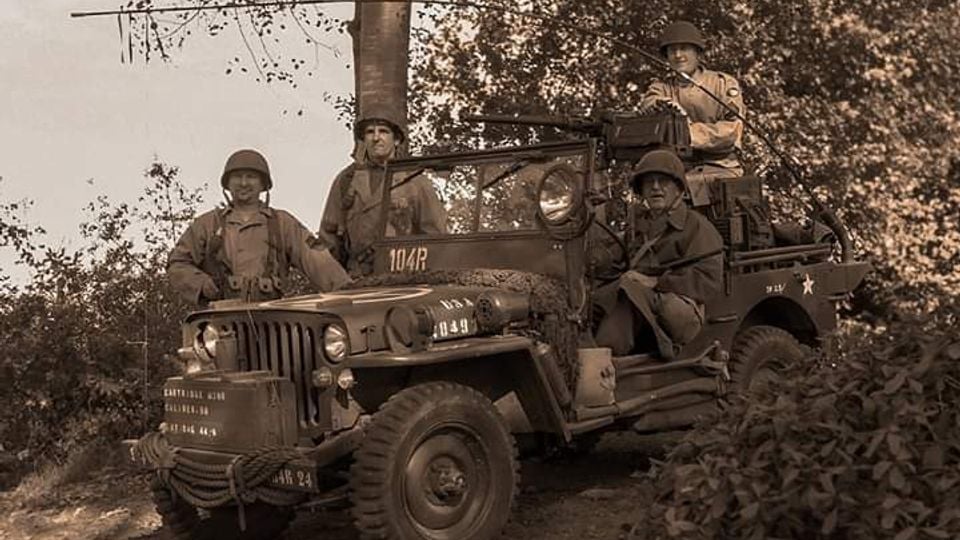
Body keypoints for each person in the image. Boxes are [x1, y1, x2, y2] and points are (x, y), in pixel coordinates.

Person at [168, 149, 350, 305]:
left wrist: (346, 290)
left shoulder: (282, 223)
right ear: (228, 183)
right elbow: (177, 263)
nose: (244, 183)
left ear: (263, 184)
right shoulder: (208, 224)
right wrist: (202, 284)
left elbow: (316, 258)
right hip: (220, 318)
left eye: (251, 177)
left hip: (271, 317)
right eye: (237, 177)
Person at [594, 150, 723, 359]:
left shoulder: (697, 226)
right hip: (644, 303)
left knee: (628, 288)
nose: (655, 187)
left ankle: (606, 359)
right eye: (648, 182)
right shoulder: (638, 226)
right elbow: (613, 262)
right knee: (596, 296)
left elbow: (708, 281)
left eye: (663, 181)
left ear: (678, 188)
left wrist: (654, 282)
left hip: (682, 311)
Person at [318, 107, 446, 276]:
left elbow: (436, 239)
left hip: (404, 280)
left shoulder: (415, 181)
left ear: (397, 140)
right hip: (356, 281)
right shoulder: (346, 180)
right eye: (370, 132)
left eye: (384, 131)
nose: (376, 138)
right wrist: (334, 282)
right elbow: (329, 238)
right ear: (364, 139)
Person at [640, 20, 746, 184]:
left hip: (721, 169)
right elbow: (650, 102)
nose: (678, 55)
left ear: (698, 53)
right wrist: (664, 105)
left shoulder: (723, 84)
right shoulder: (662, 88)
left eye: (684, 48)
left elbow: (730, 131)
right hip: (676, 172)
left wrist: (687, 133)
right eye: (672, 50)